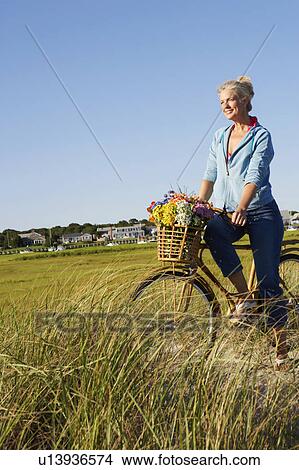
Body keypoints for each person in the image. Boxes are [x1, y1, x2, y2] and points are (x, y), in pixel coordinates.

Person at [196, 76, 288, 370]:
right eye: (221, 102)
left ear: (245, 101)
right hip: (228, 213)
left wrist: (244, 205)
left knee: (269, 283)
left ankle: (281, 350)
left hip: (260, 213)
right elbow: (210, 174)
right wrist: (198, 205)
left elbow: (256, 174)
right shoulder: (220, 136)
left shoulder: (261, 136)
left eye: (230, 100)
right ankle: (244, 297)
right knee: (212, 231)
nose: (225, 105)